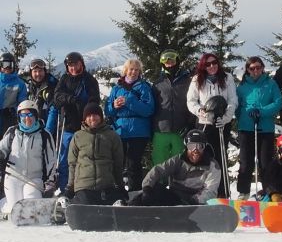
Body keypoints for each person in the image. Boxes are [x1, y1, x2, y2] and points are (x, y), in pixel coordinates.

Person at [186, 53, 237, 198]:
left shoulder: (227, 78)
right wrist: (200, 111)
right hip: (204, 123)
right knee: (203, 156)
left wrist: (227, 117)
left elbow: (233, 99)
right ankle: (202, 191)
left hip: (222, 122)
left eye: (214, 63)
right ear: (203, 66)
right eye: (208, 64)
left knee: (221, 158)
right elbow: (191, 101)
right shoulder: (197, 80)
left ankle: (222, 192)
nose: (212, 66)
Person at [129, 129, 221, 206]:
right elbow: (158, 170)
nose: (195, 150)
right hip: (175, 198)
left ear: (205, 147)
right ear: (186, 147)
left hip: (195, 203)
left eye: (200, 146)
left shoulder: (212, 166)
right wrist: (147, 188)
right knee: (154, 189)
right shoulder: (178, 160)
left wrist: (193, 201)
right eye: (191, 146)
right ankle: (131, 209)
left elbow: (210, 191)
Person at [52, 52, 100, 194]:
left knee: (84, 159)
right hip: (68, 125)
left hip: (85, 126)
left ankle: (83, 188)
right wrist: (70, 99)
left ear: (81, 64)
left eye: (75, 65)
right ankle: (64, 188)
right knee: (65, 160)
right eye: (70, 65)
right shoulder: (65, 79)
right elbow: (56, 97)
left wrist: (86, 110)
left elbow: (94, 100)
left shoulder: (89, 80)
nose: (73, 68)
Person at [235, 56, 282, 200]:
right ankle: (243, 192)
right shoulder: (242, 86)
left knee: (265, 162)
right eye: (252, 68)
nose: (255, 70)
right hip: (246, 128)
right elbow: (237, 106)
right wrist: (246, 113)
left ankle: (269, 192)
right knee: (246, 162)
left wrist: (261, 111)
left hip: (265, 128)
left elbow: (278, 102)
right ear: (247, 70)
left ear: (262, 68)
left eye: (258, 67)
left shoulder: (270, 84)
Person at [105, 59, 155, 191]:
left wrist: (130, 101)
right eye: (131, 69)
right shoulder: (117, 88)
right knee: (117, 162)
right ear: (126, 70)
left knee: (133, 163)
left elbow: (148, 109)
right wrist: (114, 106)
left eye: (137, 70)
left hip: (139, 131)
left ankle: (135, 192)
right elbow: (107, 110)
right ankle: (117, 191)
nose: (133, 72)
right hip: (120, 130)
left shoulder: (144, 87)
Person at [0, 100, 56, 215]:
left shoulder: (44, 135)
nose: (27, 118)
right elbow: (2, 150)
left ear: (35, 115)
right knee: (15, 209)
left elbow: (51, 161)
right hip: (13, 177)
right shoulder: (12, 132)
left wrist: (50, 181)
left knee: (30, 209)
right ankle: (4, 205)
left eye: (30, 114)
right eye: (23, 115)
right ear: (19, 117)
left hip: (34, 179)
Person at [65, 103, 126, 205]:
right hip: (84, 186)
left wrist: (120, 186)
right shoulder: (77, 136)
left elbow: (118, 164)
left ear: (101, 117)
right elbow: (72, 164)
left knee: (117, 205)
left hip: (106, 185)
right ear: (84, 119)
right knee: (86, 205)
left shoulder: (112, 136)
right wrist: (70, 187)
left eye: (95, 115)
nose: (92, 118)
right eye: (88, 116)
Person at [151, 49, 195, 166]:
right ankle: (159, 184)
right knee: (159, 161)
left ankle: (178, 183)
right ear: (162, 63)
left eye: (172, 60)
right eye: (166, 61)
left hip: (180, 129)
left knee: (180, 161)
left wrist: (190, 123)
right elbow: (152, 106)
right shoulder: (158, 83)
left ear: (177, 61)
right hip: (161, 129)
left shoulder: (187, 81)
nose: (169, 63)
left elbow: (192, 102)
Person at [0, 52, 27, 137]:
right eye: (5, 64)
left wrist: (15, 111)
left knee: (7, 142)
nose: (7, 67)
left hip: (9, 117)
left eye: (10, 64)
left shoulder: (20, 83)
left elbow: (22, 102)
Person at [26, 58, 58, 129]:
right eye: (35, 71)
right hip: (34, 125)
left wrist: (48, 131)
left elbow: (53, 110)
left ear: (44, 71)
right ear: (31, 73)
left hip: (47, 126)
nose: (38, 74)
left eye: (40, 71)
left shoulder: (51, 85)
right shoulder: (31, 86)